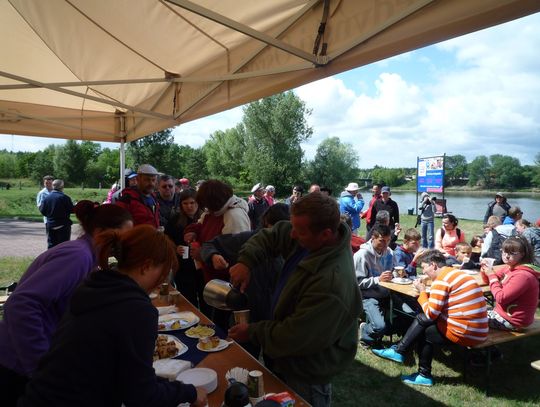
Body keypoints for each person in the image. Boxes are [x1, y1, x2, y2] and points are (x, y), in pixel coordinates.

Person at [17, 225, 207, 407]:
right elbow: (142, 396)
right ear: (146, 266)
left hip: (39, 396)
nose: (161, 282)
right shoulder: (136, 310)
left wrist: (175, 388)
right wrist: (190, 393)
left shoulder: (94, 287)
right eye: (163, 273)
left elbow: (131, 375)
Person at [228, 193, 362, 406]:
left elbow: (294, 336)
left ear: (326, 234)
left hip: (306, 372)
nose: (292, 234)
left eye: (299, 231)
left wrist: (252, 332)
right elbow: (272, 235)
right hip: (285, 358)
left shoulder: (331, 284)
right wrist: (246, 261)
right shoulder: (310, 238)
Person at [0, 202, 133, 406]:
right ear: (99, 232)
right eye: (119, 239)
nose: (122, 246)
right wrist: (42, 366)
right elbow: (21, 305)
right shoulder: (77, 256)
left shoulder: (88, 257)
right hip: (18, 364)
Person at [372, 250, 488, 386]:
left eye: (424, 268)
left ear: (433, 265)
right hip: (480, 330)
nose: (423, 272)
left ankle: (422, 373)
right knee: (423, 320)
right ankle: (399, 351)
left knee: (425, 329)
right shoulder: (457, 274)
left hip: (466, 333)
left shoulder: (442, 280)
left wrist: (422, 292)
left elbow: (431, 314)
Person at [481, 236, 540, 331]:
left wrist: (491, 275)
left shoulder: (523, 276)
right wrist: (485, 270)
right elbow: (490, 281)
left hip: (512, 321)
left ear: (523, 254)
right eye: (504, 252)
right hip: (503, 315)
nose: (506, 256)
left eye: (512, 253)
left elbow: (500, 298)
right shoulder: (510, 268)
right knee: (474, 309)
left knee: (470, 315)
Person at [164, 189, 206, 311]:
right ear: (181, 205)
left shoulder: (205, 218)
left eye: (192, 203)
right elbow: (167, 237)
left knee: (205, 298)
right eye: (185, 203)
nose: (189, 206)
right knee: (188, 299)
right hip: (183, 266)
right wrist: (175, 248)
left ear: (198, 203)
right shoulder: (176, 219)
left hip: (202, 265)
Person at [354, 224, 395, 347]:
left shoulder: (389, 252)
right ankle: (365, 331)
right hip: (367, 296)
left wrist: (397, 274)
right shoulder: (362, 255)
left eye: (388, 240)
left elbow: (392, 272)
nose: (386, 244)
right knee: (379, 327)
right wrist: (378, 279)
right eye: (382, 240)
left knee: (409, 315)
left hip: (387, 293)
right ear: (373, 238)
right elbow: (357, 283)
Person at [39, 179, 74, 248]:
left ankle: (51, 255)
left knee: (51, 246)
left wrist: (50, 215)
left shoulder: (47, 198)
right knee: (63, 246)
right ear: (62, 187)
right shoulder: (65, 198)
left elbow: (42, 211)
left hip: (50, 224)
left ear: (53, 186)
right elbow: (71, 210)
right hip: (63, 225)